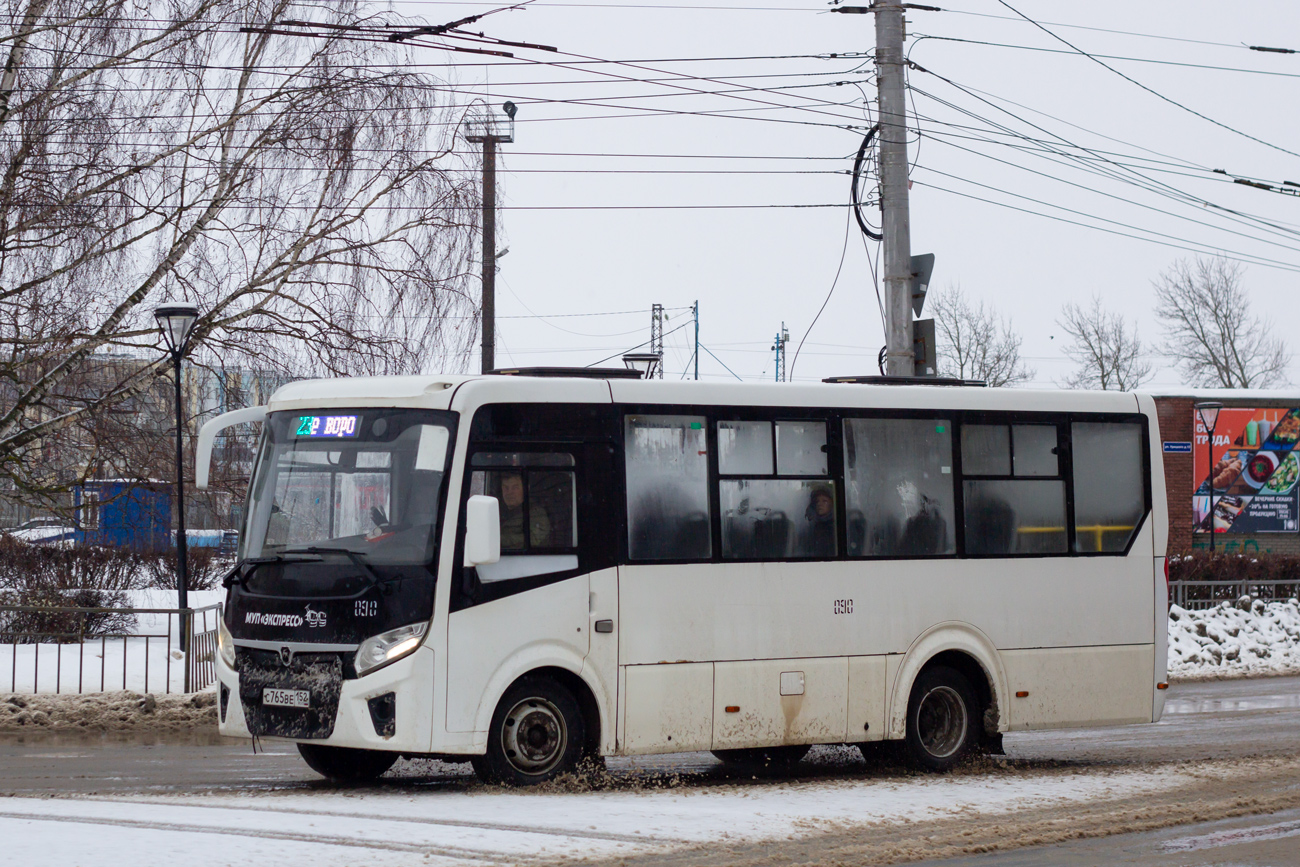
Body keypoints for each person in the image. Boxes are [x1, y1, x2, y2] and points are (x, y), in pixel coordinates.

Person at [498, 472, 551, 550]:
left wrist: (498, 539)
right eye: (506, 488)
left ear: (526, 489)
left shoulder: (536, 513)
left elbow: (533, 540)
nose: (509, 492)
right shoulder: (495, 511)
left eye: (515, 487)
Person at [801, 484, 836, 557]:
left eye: (825, 501)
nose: (820, 504)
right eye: (817, 501)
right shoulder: (810, 526)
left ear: (832, 504)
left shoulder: (836, 527)